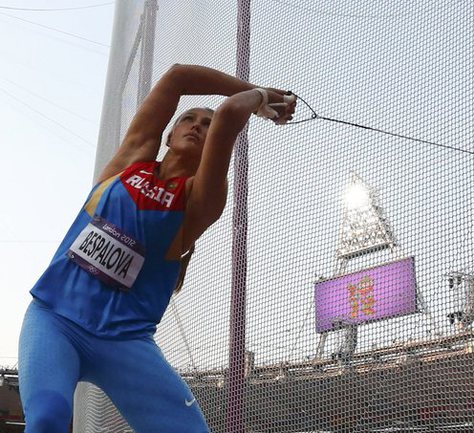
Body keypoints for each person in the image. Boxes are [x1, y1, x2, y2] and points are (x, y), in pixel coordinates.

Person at [18, 64, 296, 433]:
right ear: (169, 135)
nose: (197, 126)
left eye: (207, 125)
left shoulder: (199, 201)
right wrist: (258, 92)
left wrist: (261, 99)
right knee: (47, 416)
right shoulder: (128, 164)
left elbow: (229, 113)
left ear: (213, 145)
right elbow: (178, 76)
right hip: (56, 319)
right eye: (189, 119)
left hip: (124, 342)